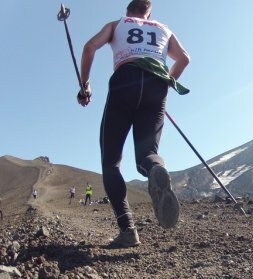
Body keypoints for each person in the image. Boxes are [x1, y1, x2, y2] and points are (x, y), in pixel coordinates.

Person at [78, 0, 190, 248]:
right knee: (147, 154)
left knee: (111, 161)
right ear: (148, 12)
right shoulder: (163, 28)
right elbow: (184, 59)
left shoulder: (116, 25)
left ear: (129, 10)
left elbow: (89, 48)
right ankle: (155, 169)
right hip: (156, 83)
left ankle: (127, 229)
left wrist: (84, 85)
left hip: (125, 81)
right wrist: (165, 83)